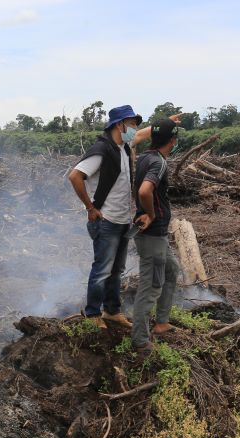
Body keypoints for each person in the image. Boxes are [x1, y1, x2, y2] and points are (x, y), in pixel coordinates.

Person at [68, 105, 145, 329]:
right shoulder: (102, 150)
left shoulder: (123, 147)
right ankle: (93, 315)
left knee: (116, 270)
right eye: (131, 124)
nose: (134, 128)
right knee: (102, 269)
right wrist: (90, 207)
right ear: (119, 125)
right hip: (106, 221)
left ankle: (112, 311)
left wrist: (165, 122)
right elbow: (75, 176)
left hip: (123, 221)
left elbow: (141, 135)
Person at [131, 118, 181, 352]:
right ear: (173, 140)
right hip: (152, 234)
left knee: (171, 270)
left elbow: (138, 136)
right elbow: (144, 191)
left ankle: (161, 323)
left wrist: (164, 122)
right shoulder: (159, 163)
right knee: (151, 287)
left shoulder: (144, 156)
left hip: (157, 234)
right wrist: (150, 213)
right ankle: (140, 341)